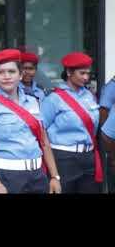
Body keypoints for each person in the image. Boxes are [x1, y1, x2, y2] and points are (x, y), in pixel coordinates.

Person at [0, 49, 61, 194]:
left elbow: (43, 140)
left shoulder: (33, 101)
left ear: (20, 75)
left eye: (11, 72)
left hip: (37, 176)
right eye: (1, 72)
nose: (6, 76)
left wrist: (54, 176)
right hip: (5, 176)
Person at [41, 52, 102, 193]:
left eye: (88, 73)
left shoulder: (89, 95)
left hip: (88, 157)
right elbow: (41, 130)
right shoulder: (54, 98)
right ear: (69, 72)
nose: (86, 77)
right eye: (82, 73)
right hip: (63, 158)